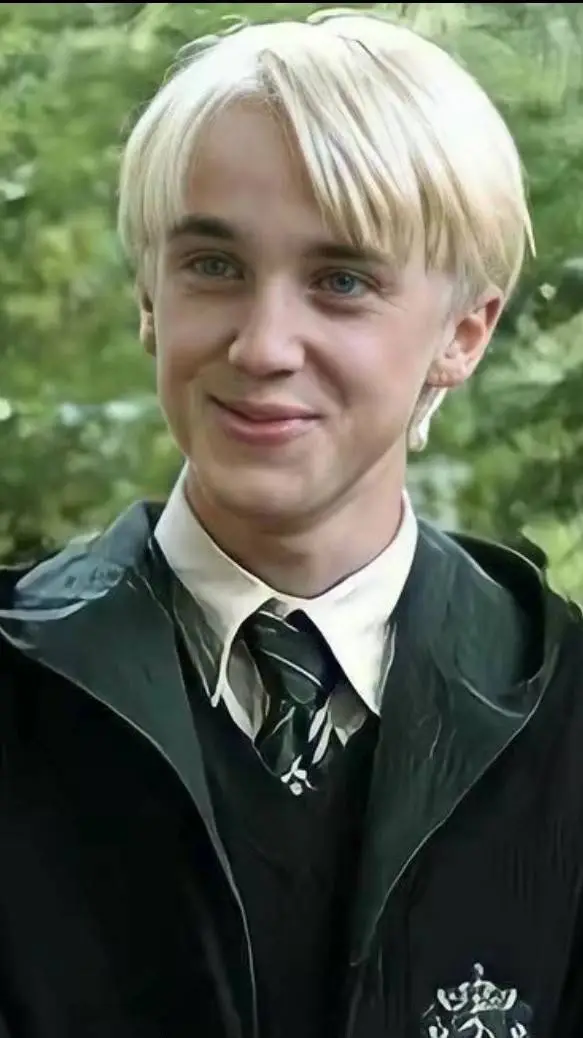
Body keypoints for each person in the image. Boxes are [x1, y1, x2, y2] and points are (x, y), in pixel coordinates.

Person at [0, 8, 582, 1038]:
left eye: (341, 281)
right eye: (213, 266)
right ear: (149, 295)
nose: (264, 345)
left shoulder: (563, 717)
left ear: (462, 334)